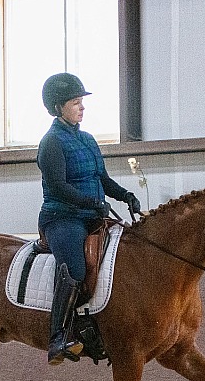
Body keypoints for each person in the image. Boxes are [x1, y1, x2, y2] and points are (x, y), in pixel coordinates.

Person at [38, 72, 141, 366]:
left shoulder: (87, 139)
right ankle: (57, 338)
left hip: (92, 215)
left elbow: (102, 179)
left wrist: (125, 195)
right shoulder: (51, 143)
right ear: (58, 107)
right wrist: (91, 202)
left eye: (82, 102)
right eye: (75, 103)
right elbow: (58, 186)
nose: (82, 108)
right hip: (61, 218)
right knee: (76, 269)